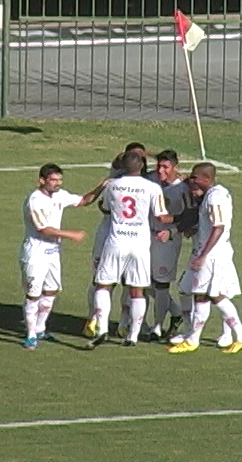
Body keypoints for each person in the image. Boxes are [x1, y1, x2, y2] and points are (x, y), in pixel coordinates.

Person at [167, 162, 242, 354]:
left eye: (195, 177)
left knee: (205, 296)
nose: (192, 179)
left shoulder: (215, 198)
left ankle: (193, 339)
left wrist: (203, 255)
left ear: (206, 178)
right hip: (207, 251)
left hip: (212, 255)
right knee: (200, 292)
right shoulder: (213, 194)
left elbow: (219, 227)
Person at [20, 163, 109, 350]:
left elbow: (84, 200)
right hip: (35, 254)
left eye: (59, 180)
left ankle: (40, 328)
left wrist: (102, 186)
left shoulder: (60, 195)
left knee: (51, 291)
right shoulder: (35, 200)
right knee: (33, 295)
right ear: (41, 180)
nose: (57, 184)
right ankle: (30, 335)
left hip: (53, 253)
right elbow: (42, 228)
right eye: (53, 180)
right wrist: (71, 235)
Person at [87, 151, 170, 349]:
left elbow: (106, 208)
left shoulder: (112, 185)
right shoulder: (153, 187)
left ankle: (103, 328)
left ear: (123, 167)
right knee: (137, 291)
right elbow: (160, 215)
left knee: (103, 285)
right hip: (140, 245)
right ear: (142, 166)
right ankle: (132, 335)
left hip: (116, 241)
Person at [83, 142, 150, 338]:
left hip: (116, 237)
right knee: (101, 280)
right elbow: (103, 208)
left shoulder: (115, 184)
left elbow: (102, 205)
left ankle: (123, 322)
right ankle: (93, 318)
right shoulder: (116, 176)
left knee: (127, 283)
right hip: (111, 233)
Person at [146, 149, 190, 341]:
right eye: (159, 166)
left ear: (175, 167)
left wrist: (171, 224)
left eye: (165, 167)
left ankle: (157, 327)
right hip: (147, 235)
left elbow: (189, 216)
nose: (161, 170)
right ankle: (176, 312)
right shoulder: (151, 180)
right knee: (142, 280)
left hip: (168, 240)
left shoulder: (183, 189)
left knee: (161, 284)